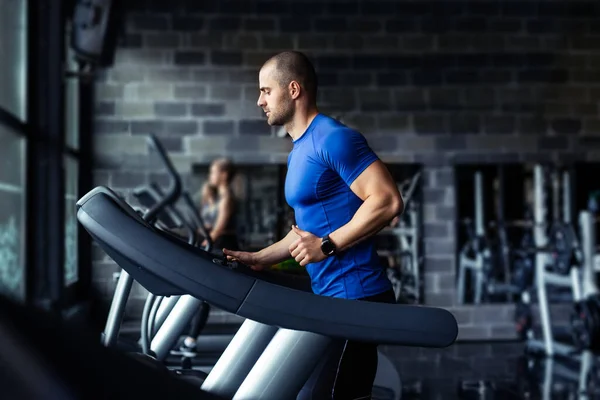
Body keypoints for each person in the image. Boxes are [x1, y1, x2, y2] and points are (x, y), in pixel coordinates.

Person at [222, 51, 404, 399]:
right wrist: (261, 257)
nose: (259, 100)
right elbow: (308, 229)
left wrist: (327, 246)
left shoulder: (334, 138)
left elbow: (386, 200)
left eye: (265, 91)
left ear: (293, 89)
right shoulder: (299, 150)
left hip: (356, 297)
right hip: (332, 297)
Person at [178, 157, 240, 357]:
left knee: (202, 294)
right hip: (213, 246)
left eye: (213, 172)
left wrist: (203, 242)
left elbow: (218, 229)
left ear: (223, 175)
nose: (210, 176)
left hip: (223, 249)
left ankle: (191, 340)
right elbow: (206, 226)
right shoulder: (214, 198)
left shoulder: (227, 198)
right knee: (200, 294)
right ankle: (190, 340)